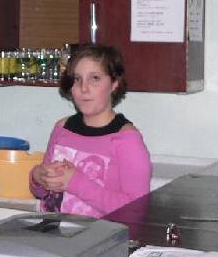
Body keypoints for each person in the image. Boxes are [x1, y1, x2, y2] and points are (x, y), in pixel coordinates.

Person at [29, 44, 152, 218]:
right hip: (52, 232)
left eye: (95, 78)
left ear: (114, 83)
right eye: (77, 79)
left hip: (102, 235)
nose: (83, 88)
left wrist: (76, 183)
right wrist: (38, 177)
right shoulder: (62, 128)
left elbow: (136, 211)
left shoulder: (127, 140)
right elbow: (42, 193)